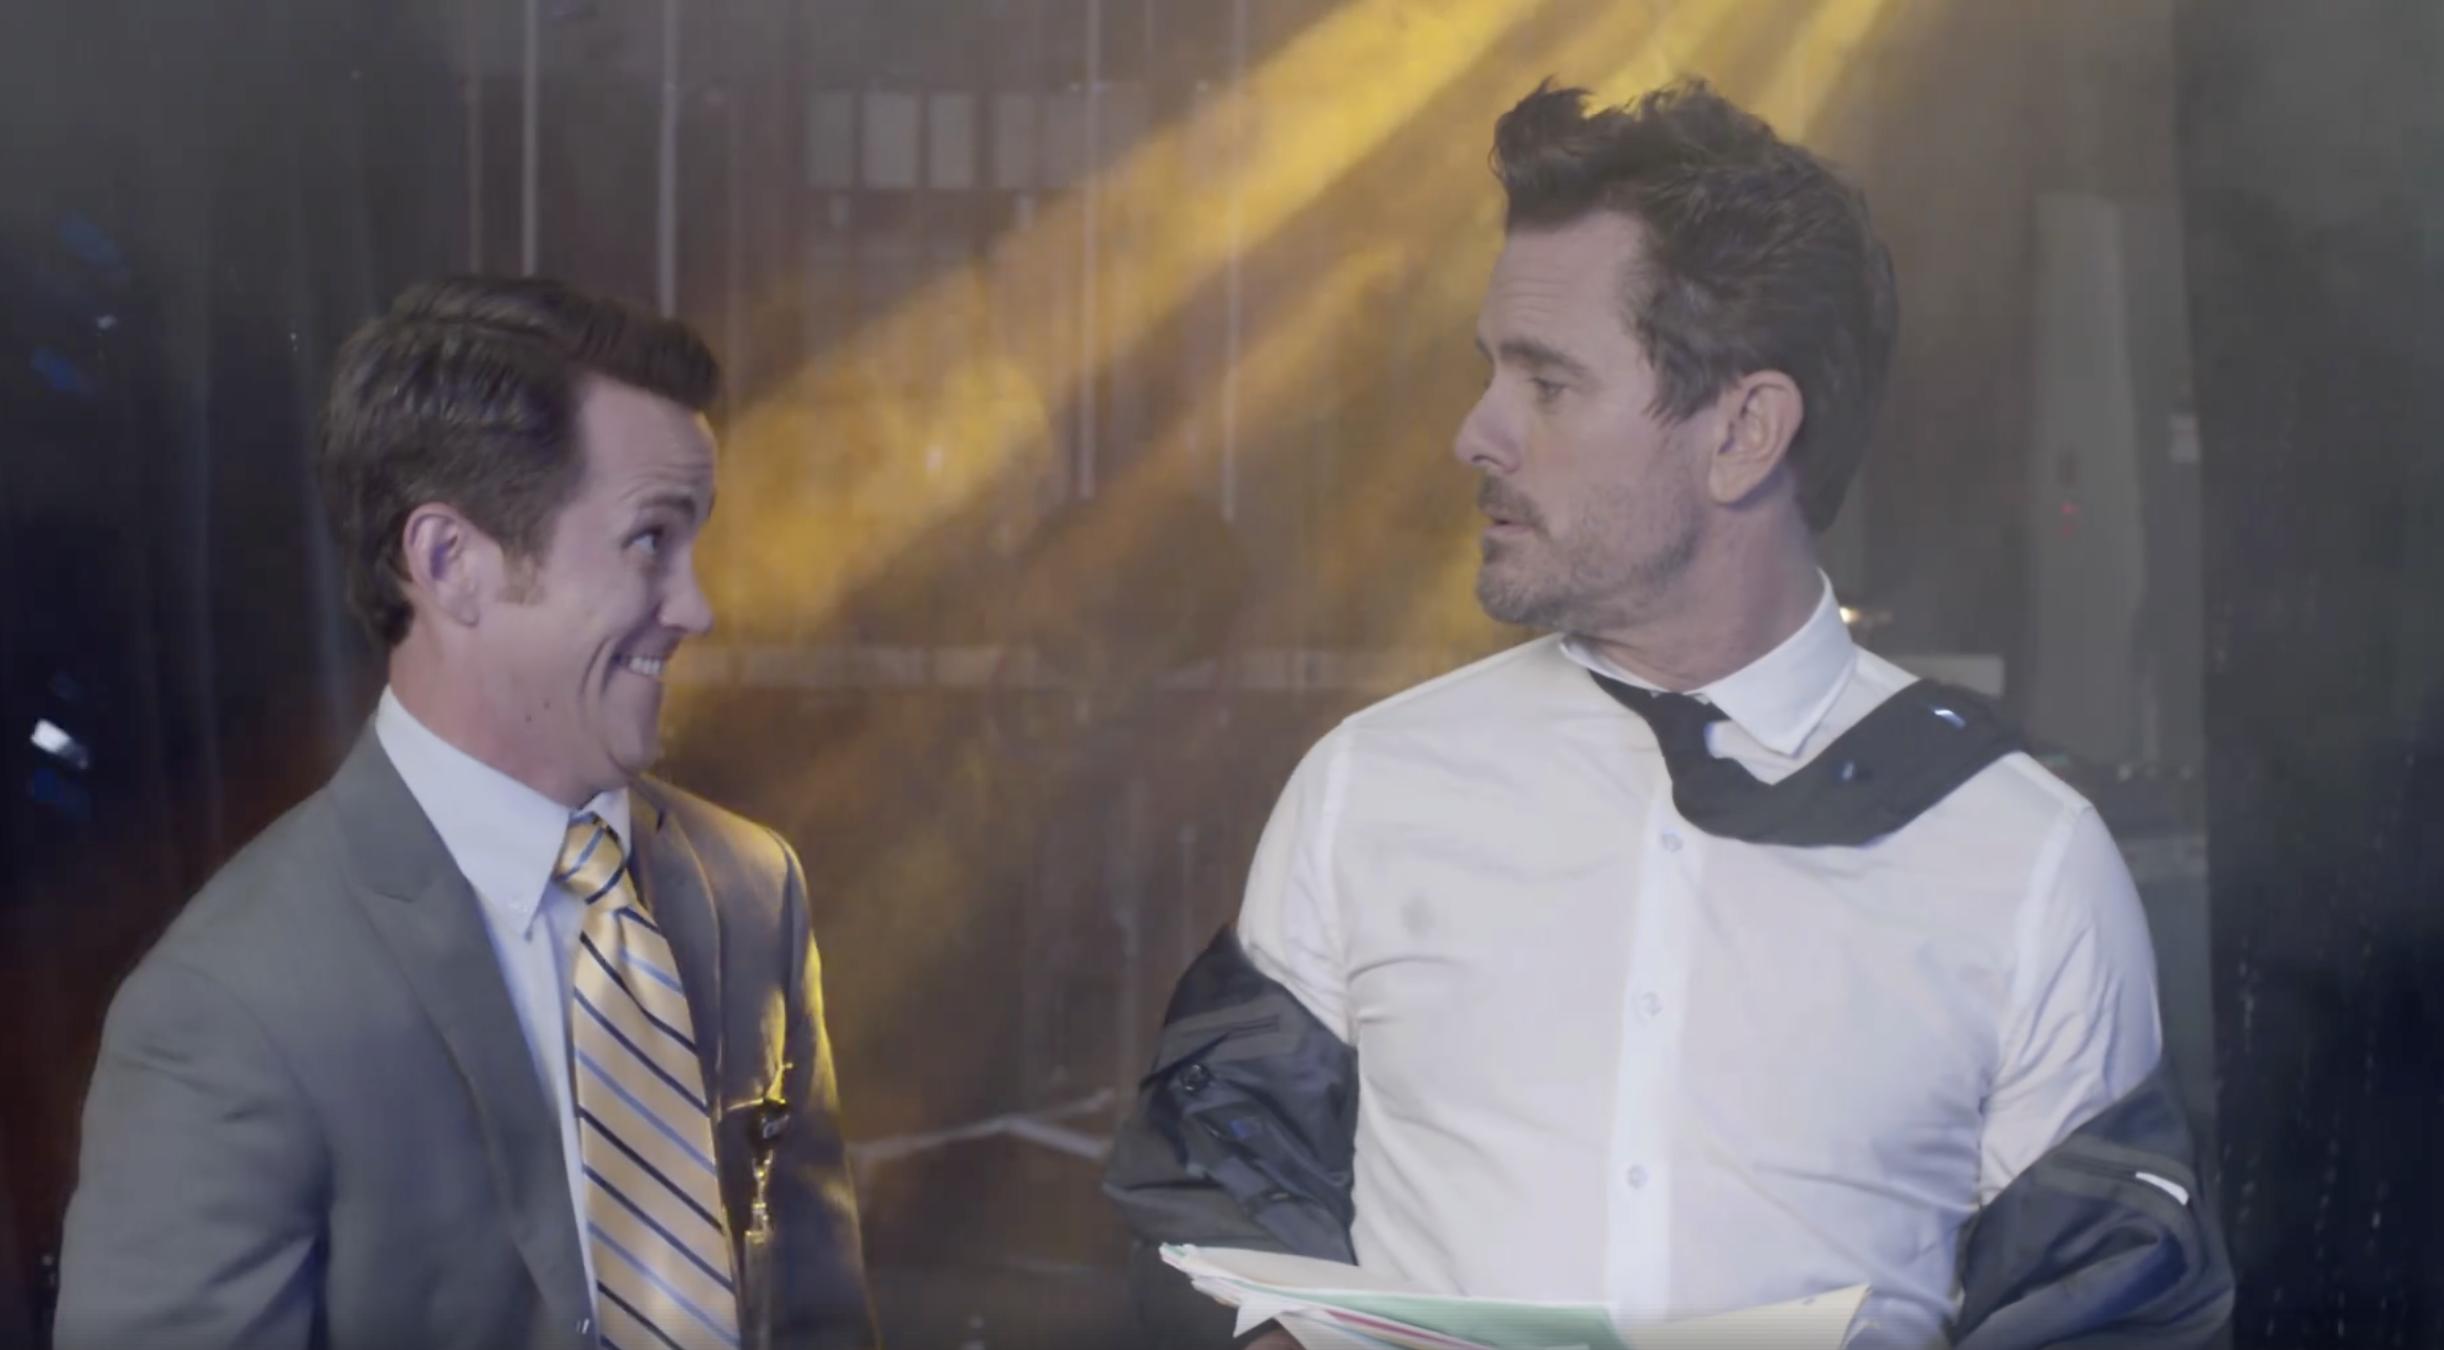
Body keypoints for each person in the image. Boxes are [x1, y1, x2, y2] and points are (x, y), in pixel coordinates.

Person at [1107, 81, 2226, 1349]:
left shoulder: (2022, 862)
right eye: (1489, 371)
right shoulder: (1364, 789)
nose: (1475, 434)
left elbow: (2105, 1312)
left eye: (1547, 383)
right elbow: (1213, 1200)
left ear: (1743, 432)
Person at [55, 277, 875, 1349]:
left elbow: (817, 1316)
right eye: (648, 541)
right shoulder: (228, 1005)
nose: (697, 606)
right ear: (451, 564)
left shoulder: (752, 888)